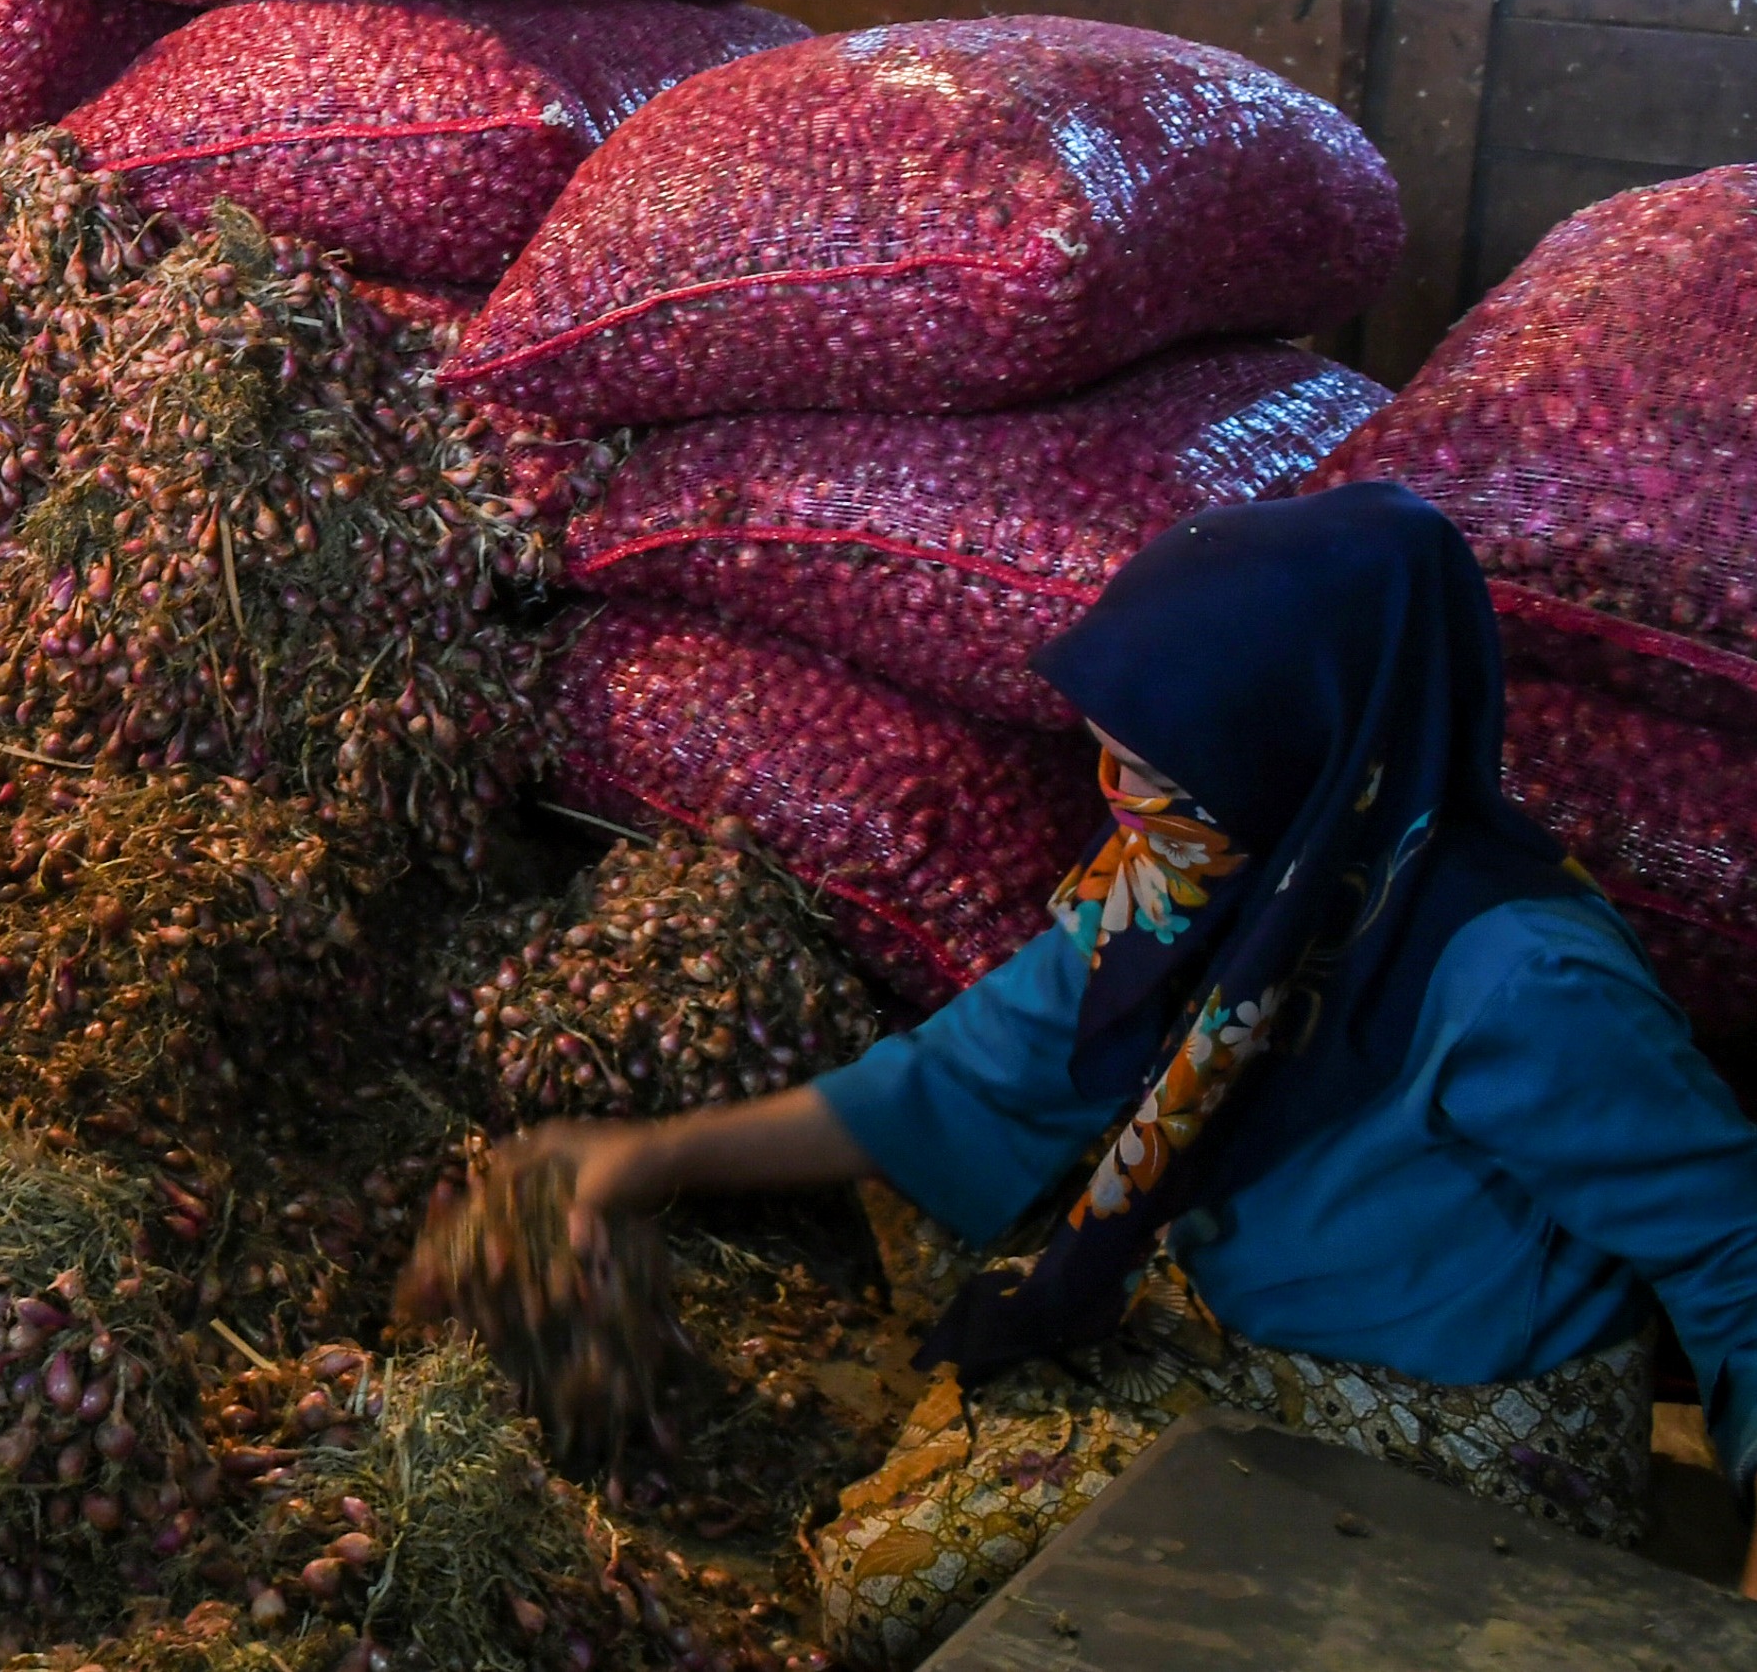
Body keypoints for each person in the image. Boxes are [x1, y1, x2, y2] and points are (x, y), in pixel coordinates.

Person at [493, 485, 1757, 1663]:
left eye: (1153, 773)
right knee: (888, 1557)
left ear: (1307, 754)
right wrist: (650, 1159)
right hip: (1239, 1344)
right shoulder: (1205, 882)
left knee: (909, 1596)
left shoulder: (1521, 978)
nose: (1121, 804)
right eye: (1108, 760)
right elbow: (962, 1073)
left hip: (1458, 1432)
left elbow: (1732, 1252)